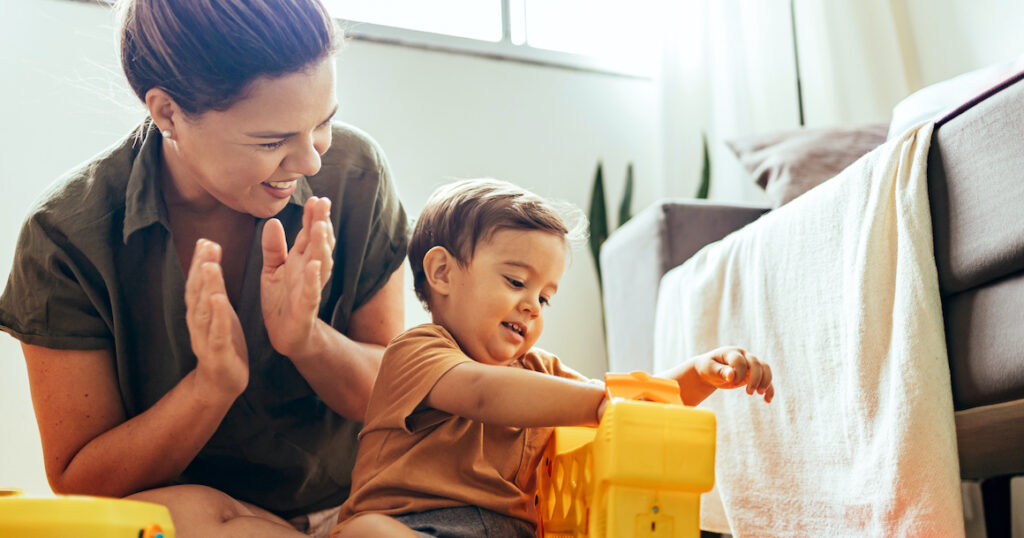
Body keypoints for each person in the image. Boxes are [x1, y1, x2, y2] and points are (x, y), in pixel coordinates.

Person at [0, 1, 408, 536]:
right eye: (271, 141)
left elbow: (394, 398)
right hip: (200, 523)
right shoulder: (67, 235)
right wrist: (211, 386)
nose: (310, 160)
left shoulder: (354, 175)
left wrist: (309, 341)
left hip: (357, 505)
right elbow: (84, 479)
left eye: (323, 122)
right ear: (167, 113)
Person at [329, 179, 774, 537]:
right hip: (409, 523)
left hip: (514, 531)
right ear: (442, 272)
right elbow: (482, 393)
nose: (532, 306)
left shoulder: (542, 372)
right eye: (515, 281)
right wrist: (598, 402)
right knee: (363, 531)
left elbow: (631, 406)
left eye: (546, 297)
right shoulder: (418, 350)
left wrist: (700, 374)